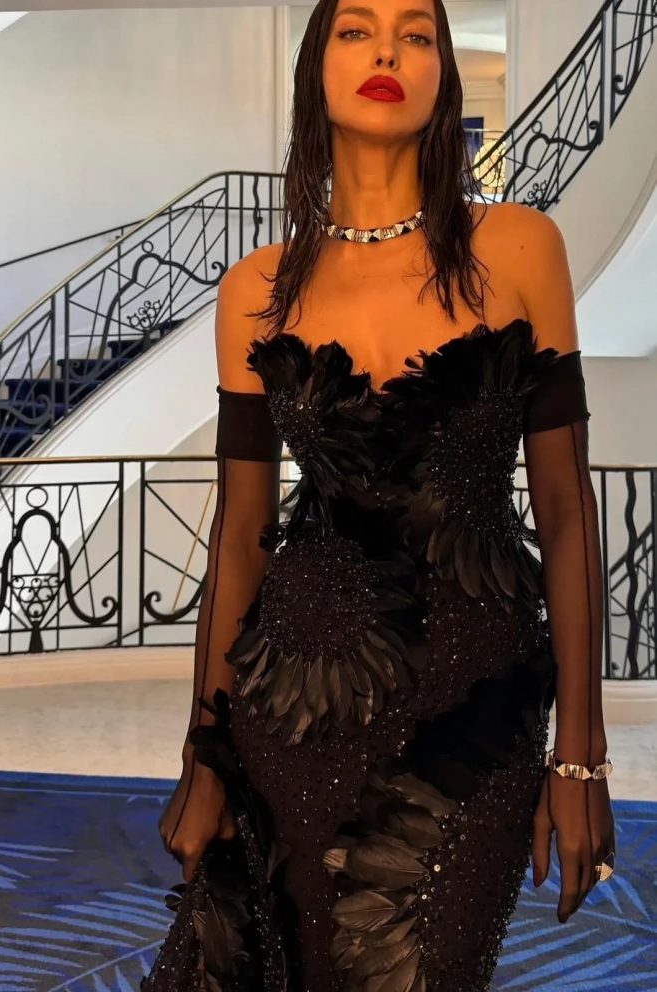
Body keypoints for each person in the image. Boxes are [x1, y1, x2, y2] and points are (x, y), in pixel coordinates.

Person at [142, 1, 616, 990]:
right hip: (290, 706)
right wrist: (204, 755)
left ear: (442, 73)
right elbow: (240, 536)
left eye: (416, 32)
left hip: (473, 712)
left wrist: (578, 756)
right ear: (316, 68)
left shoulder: (521, 247)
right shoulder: (256, 288)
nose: (388, 50)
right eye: (357, 29)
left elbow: (568, 512)